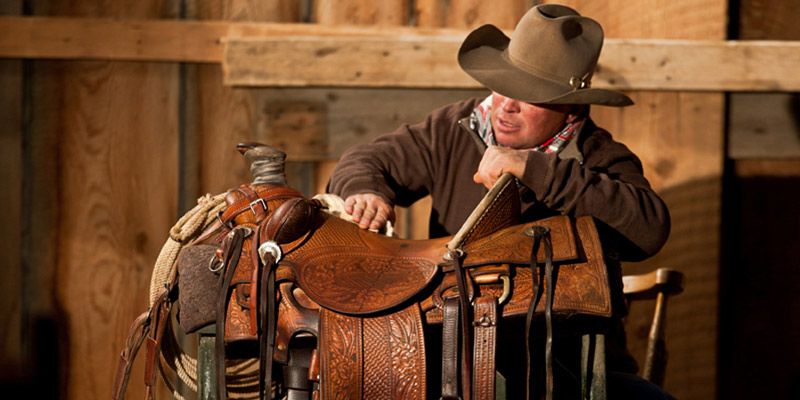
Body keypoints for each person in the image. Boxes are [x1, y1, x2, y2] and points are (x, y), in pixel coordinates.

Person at [327, 3, 672, 399]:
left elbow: (649, 229)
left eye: (531, 96)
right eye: (503, 85)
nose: (506, 106)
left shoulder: (599, 157)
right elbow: (367, 159)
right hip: (453, 353)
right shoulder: (453, 128)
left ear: (570, 106)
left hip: (567, 363)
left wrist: (536, 170)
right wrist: (363, 190)